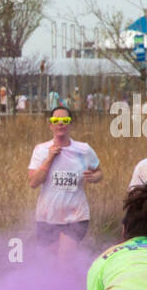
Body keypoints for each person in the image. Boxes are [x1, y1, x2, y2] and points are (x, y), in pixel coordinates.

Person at [27, 104, 102, 257]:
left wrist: (95, 177)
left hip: (76, 216)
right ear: (50, 125)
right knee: (49, 265)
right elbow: (33, 182)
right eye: (56, 120)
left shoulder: (83, 150)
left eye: (65, 120)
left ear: (71, 123)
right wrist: (49, 159)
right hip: (47, 216)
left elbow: (99, 172)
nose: (60, 123)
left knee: (64, 261)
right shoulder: (41, 150)